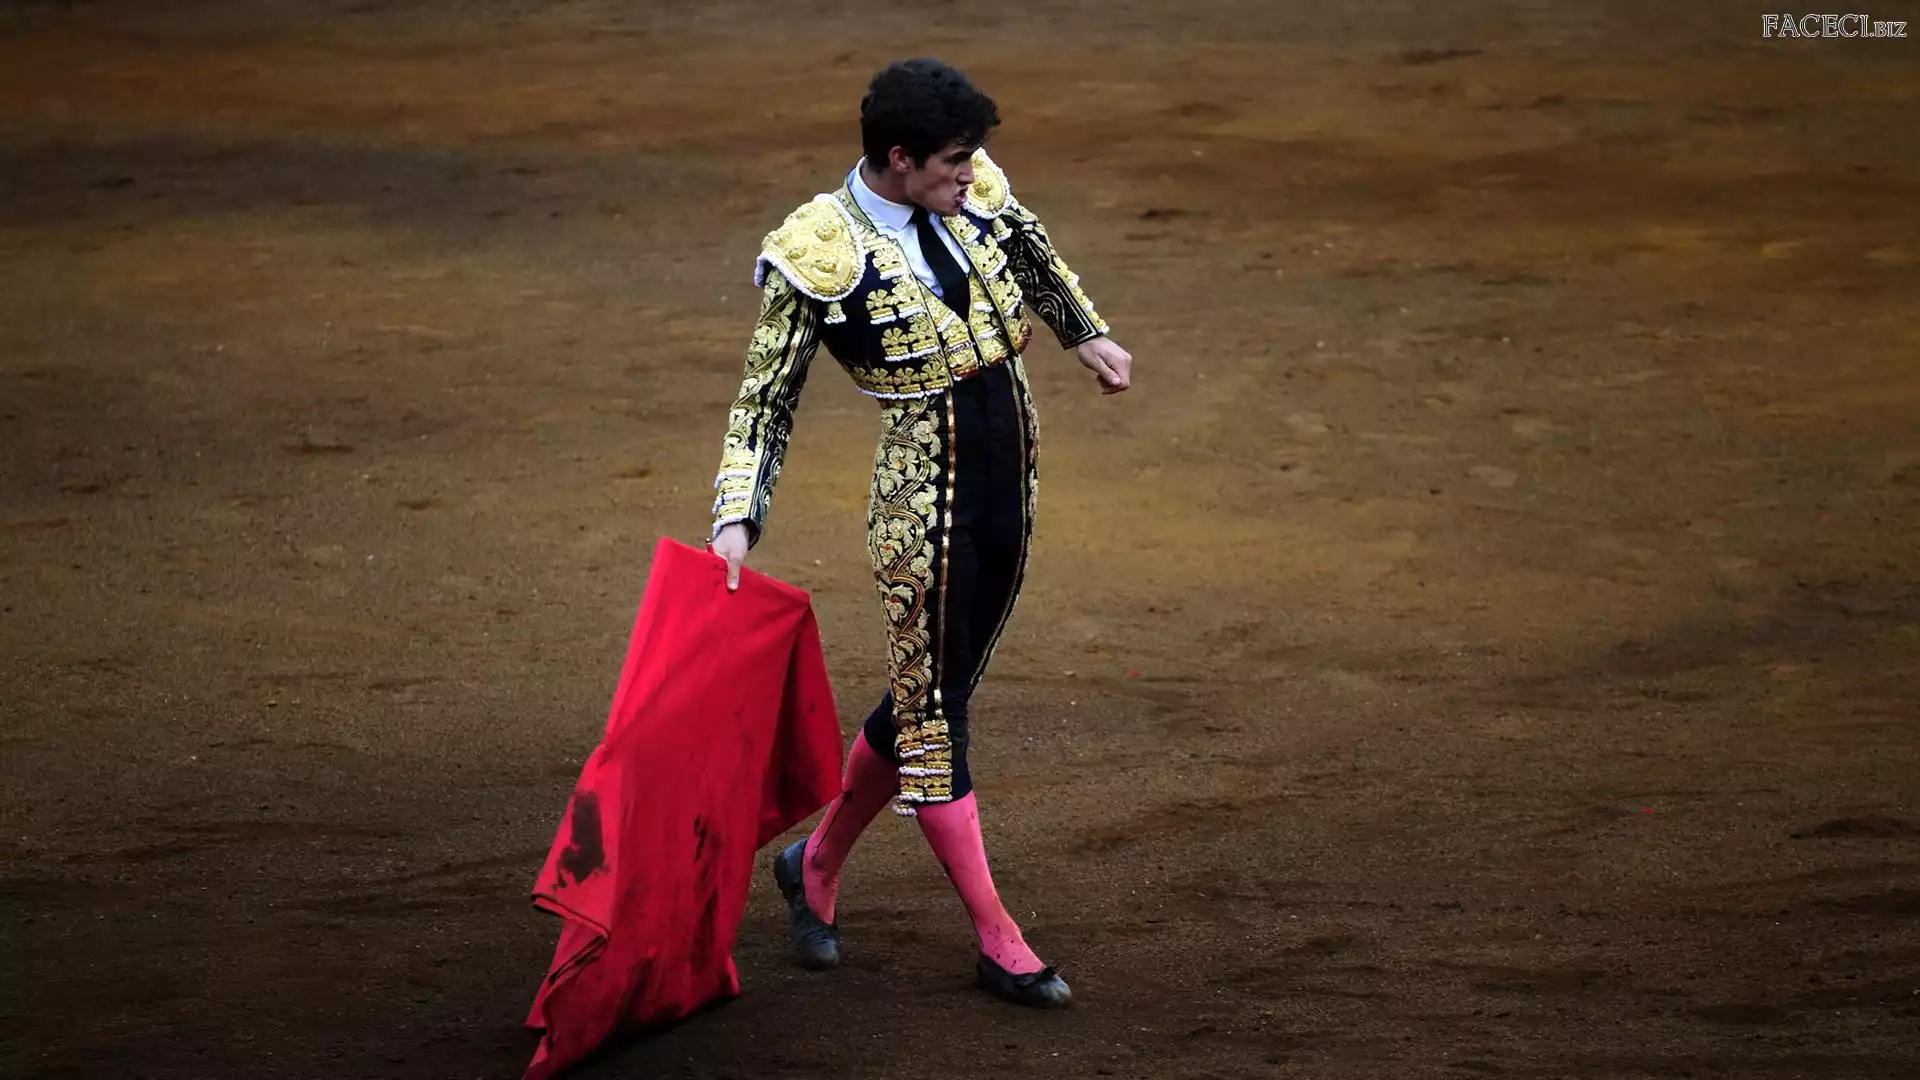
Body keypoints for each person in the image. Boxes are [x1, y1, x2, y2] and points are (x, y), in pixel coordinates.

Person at [706, 57, 1132, 1009]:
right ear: (898, 159)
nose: (969, 177)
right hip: (923, 497)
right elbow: (764, 400)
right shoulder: (818, 248)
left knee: (933, 693)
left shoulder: (973, 188)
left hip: (1010, 476)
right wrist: (737, 517)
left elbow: (1031, 251)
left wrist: (1085, 334)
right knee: (935, 717)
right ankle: (997, 936)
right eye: (950, 163)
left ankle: (814, 864)